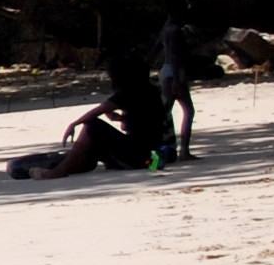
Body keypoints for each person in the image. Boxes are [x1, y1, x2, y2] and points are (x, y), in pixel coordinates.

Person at [13, 56, 174, 179]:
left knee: (92, 126)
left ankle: (57, 172)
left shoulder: (129, 93)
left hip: (140, 156)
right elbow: (143, 123)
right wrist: (121, 119)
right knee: (96, 136)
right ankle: (76, 163)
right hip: (150, 155)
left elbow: (98, 111)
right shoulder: (151, 91)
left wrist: (74, 124)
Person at [156, 18, 196, 161]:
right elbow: (175, 56)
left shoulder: (165, 28)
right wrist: (178, 80)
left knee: (165, 113)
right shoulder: (176, 31)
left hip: (165, 70)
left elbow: (157, 49)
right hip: (174, 72)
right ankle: (184, 150)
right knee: (188, 111)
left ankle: (161, 153)